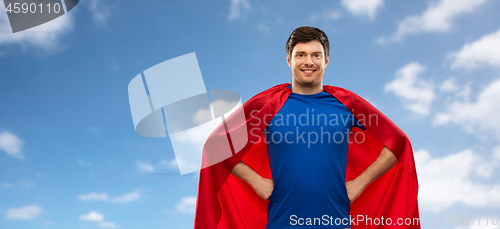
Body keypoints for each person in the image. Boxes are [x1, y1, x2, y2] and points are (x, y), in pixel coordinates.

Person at [193, 26, 420, 229]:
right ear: (289, 61)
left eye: (316, 55)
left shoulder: (347, 104)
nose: (308, 61)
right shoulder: (269, 103)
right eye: (300, 55)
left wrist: (360, 183)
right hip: (282, 223)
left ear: (326, 60)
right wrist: (256, 180)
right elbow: (217, 146)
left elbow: (399, 142)